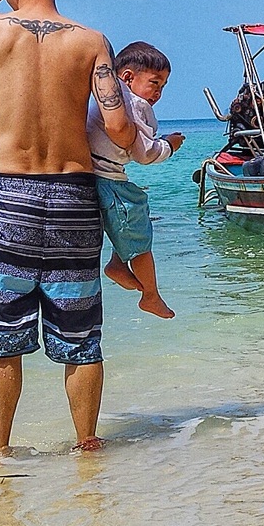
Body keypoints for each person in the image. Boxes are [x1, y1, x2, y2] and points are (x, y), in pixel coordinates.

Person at [0, 0, 137, 456]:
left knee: (2, 335)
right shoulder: (92, 41)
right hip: (74, 198)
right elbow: (119, 128)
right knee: (80, 335)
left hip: (10, 196)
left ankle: (1, 455)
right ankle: (87, 446)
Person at [88, 41, 187, 320]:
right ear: (128, 77)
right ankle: (151, 295)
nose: (158, 92)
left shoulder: (107, 95)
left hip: (98, 174)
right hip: (107, 178)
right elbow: (144, 153)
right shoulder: (135, 103)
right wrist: (170, 145)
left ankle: (118, 263)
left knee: (135, 212)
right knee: (139, 231)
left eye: (163, 86)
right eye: (155, 82)